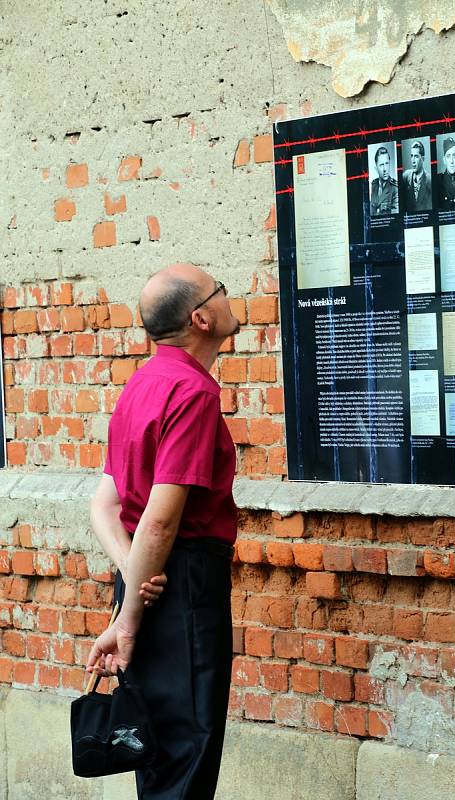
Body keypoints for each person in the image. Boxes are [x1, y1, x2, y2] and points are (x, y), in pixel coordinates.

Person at [86, 262, 241, 800]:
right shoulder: (193, 393)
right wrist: (129, 618)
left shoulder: (141, 385)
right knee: (186, 756)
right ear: (201, 318)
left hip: (148, 576)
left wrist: (131, 578)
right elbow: (160, 516)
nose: (228, 296)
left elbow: (105, 506)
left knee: (159, 757)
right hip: (180, 585)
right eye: (219, 290)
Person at [402, 140, 432, 212]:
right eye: (411, 156)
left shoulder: (430, 180)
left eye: (416, 156)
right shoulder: (405, 177)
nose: (413, 161)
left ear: (423, 159)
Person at [370, 145, 399, 216]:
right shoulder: (373, 185)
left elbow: (395, 216)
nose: (385, 169)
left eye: (387, 163)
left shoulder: (395, 188)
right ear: (376, 168)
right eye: (381, 165)